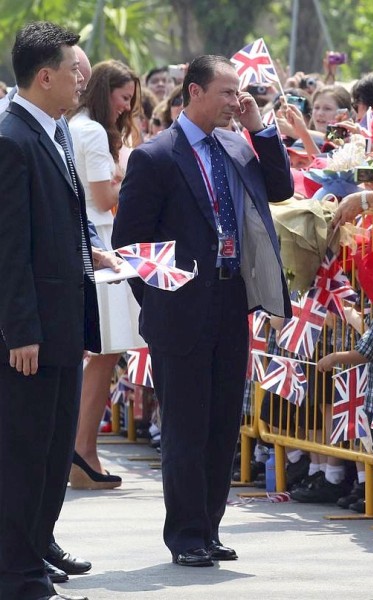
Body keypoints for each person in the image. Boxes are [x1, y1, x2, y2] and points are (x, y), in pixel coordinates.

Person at [113, 54, 294, 567]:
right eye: (227, 93)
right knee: (186, 428)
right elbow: (131, 244)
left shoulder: (237, 145)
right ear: (193, 92)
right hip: (181, 306)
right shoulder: (157, 156)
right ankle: (186, 535)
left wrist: (259, 124)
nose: (236, 101)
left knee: (221, 424)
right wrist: (163, 298)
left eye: (240, 94)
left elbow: (279, 188)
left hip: (231, 297)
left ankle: (210, 527)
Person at [0, 21, 107, 600]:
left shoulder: (56, 132)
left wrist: (93, 252)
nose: (83, 79)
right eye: (75, 70)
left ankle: (36, 553)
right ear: (45, 77)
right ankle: (17, 573)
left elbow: (56, 221)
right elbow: (8, 247)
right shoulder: (11, 139)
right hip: (31, 333)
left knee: (52, 449)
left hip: (64, 321)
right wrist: (20, 330)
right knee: (24, 454)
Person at [68, 59, 145, 490]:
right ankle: (82, 451)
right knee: (103, 353)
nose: (125, 107)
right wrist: (133, 169)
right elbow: (102, 198)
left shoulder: (74, 125)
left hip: (86, 245)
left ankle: (81, 451)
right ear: (105, 92)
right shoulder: (93, 131)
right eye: (122, 98)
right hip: (101, 247)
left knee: (97, 353)